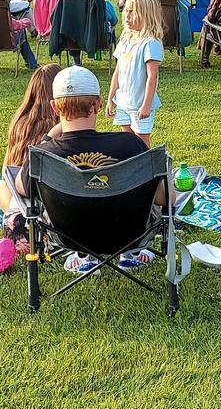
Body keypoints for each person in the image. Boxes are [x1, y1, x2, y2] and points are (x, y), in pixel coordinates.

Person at [18, 65, 158, 272]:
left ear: (55, 108)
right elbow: (167, 199)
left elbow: (22, 188)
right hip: (128, 235)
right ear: (97, 104)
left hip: (70, 238)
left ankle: (84, 256)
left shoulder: (43, 155)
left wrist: (47, 138)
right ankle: (132, 253)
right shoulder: (130, 144)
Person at [0, 63, 63, 248]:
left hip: (22, 194)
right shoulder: (62, 128)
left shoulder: (20, 123)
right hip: (52, 200)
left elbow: (6, 170)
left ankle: (15, 217)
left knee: (1, 186)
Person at [106, 0, 164, 146]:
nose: (127, 15)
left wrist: (146, 104)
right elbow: (118, 72)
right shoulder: (125, 40)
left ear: (145, 15)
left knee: (141, 143)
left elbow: (152, 77)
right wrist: (111, 99)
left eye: (132, 12)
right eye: (126, 10)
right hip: (123, 102)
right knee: (127, 141)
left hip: (140, 104)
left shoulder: (151, 44)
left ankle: (146, 168)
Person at [69, 0, 118, 66]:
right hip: (102, 39)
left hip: (80, 40)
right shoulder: (106, 4)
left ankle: (76, 61)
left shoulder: (77, 5)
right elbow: (114, 21)